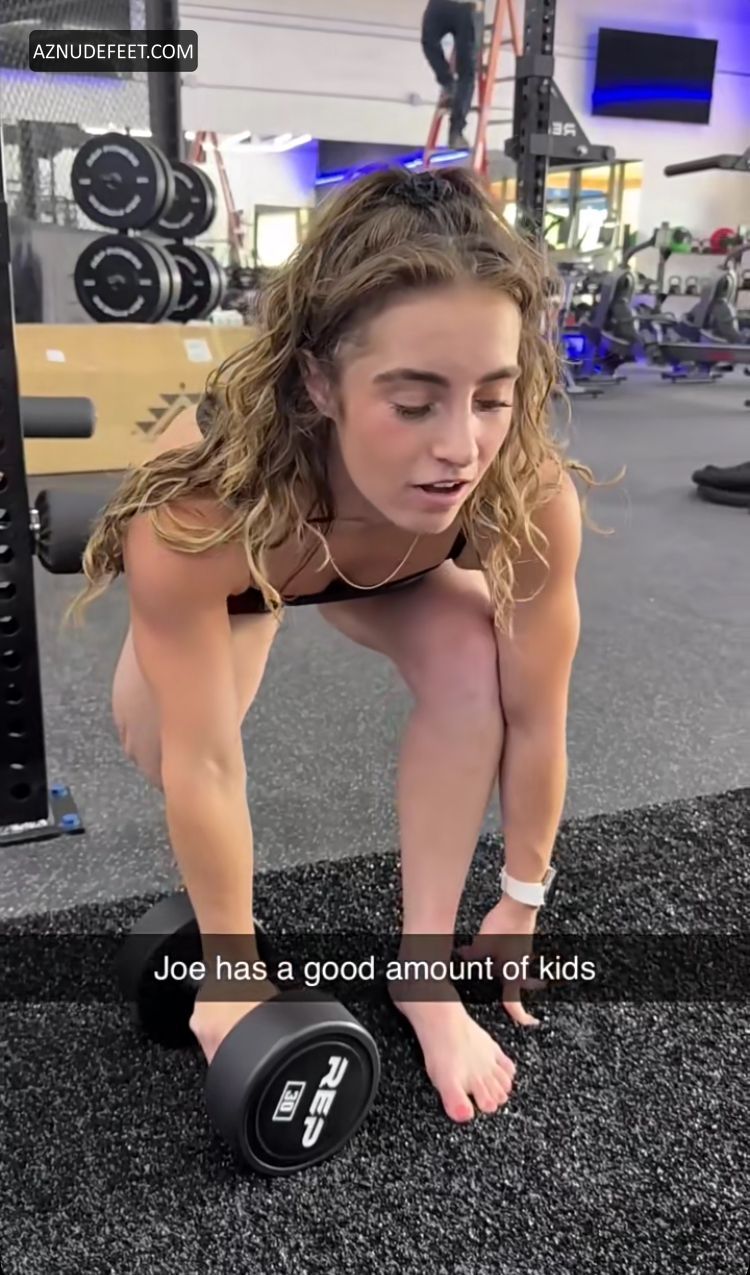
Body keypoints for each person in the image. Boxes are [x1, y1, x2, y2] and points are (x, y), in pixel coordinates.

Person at [71, 167, 599, 1126]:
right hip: (259, 555)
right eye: (415, 403)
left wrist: (522, 897)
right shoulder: (196, 512)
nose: (461, 447)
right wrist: (231, 968)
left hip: (393, 565)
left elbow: (539, 712)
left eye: (491, 397)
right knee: (161, 742)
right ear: (320, 381)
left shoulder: (525, 492)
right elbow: (202, 761)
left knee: (472, 658)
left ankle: (423, 972)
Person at [421, 0, 483, 149]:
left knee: (466, 70)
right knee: (429, 41)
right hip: (442, 5)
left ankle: (456, 131)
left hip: (468, 7)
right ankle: (448, 83)